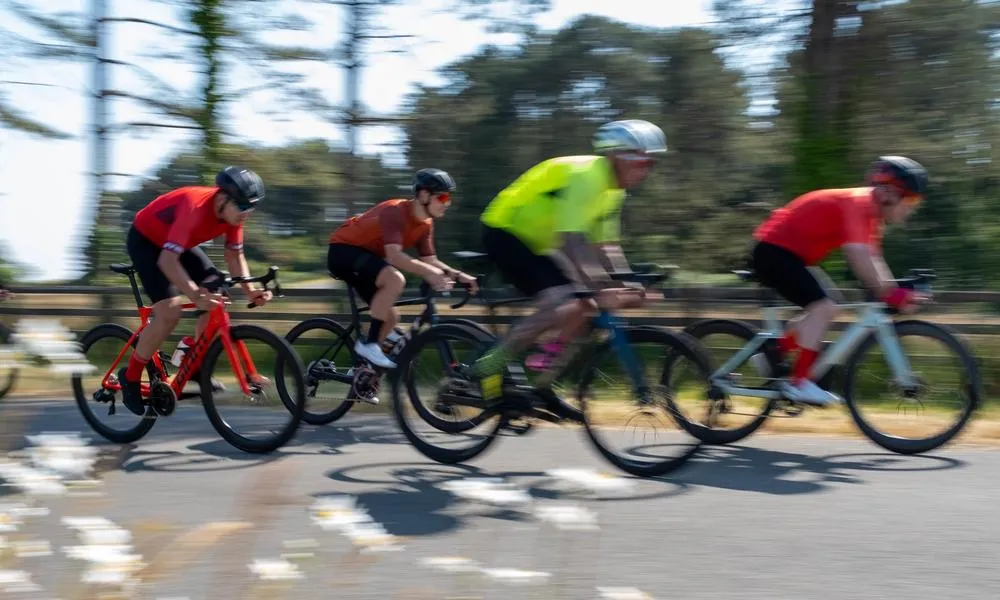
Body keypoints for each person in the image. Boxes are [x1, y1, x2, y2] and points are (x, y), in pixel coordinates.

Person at [467, 119, 667, 400]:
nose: (646, 171)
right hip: (506, 231)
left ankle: (540, 387)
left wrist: (629, 283)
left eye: (652, 164)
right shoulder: (587, 177)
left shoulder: (614, 192)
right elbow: (571, 239)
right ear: (615, 156)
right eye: (641, 162)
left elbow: (606, 246)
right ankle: (487, 367)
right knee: (557, 300)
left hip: (539, 242)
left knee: (585, 307)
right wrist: (602, 284)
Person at [749, 155, 930, 406]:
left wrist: (893, 291)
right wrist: (890, 294)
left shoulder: (870, 214)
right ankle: (799, 383)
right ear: (888, 192)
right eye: (910, 199)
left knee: (829, 305)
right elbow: (857, 255)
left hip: (789, 254)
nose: (912, 207)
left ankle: (775, 352)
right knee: (824, 308)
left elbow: (873, 259)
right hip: (773, 251)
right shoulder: (859, 204)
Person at [117, 166, 272, 415]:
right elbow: (167, 261)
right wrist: (194, 294)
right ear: (223, 199)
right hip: (146, 241)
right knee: (171, 312)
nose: (246, 214)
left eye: (250, 209)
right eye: (242, 207)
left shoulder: (232, 215)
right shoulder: (194, 207)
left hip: (176, 242)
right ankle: (131, 376)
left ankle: (195, 366)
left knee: (217, 290)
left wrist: (250, 290)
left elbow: (235, 254)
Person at [327, 168, 479, 375]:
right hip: (343, 252)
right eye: (442, 197)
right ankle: (370, 345)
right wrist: (429, 273)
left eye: (449, 197)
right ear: (424, 195)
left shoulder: (425, 224)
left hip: (367, 260)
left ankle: (362, 370)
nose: (447, 203)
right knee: (395, 279)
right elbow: (394, 256)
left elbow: (430, 259)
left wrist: (457, 275)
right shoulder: (395, 211)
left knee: (390, 318)